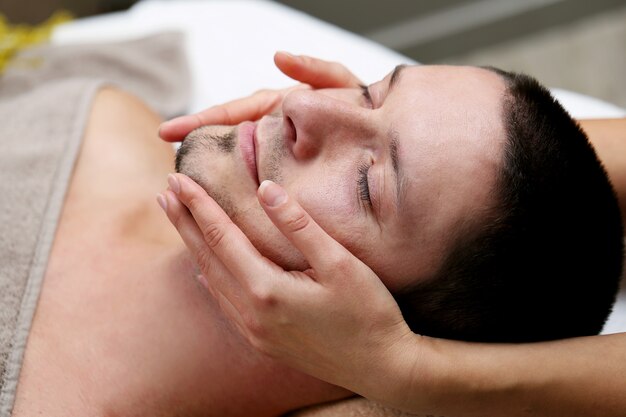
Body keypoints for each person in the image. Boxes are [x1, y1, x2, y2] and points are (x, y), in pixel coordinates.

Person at [3, 52, 622, 417]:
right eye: (369, 91)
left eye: (366, 183)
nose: (305, 107)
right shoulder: (99, 113)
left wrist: (412, 371)